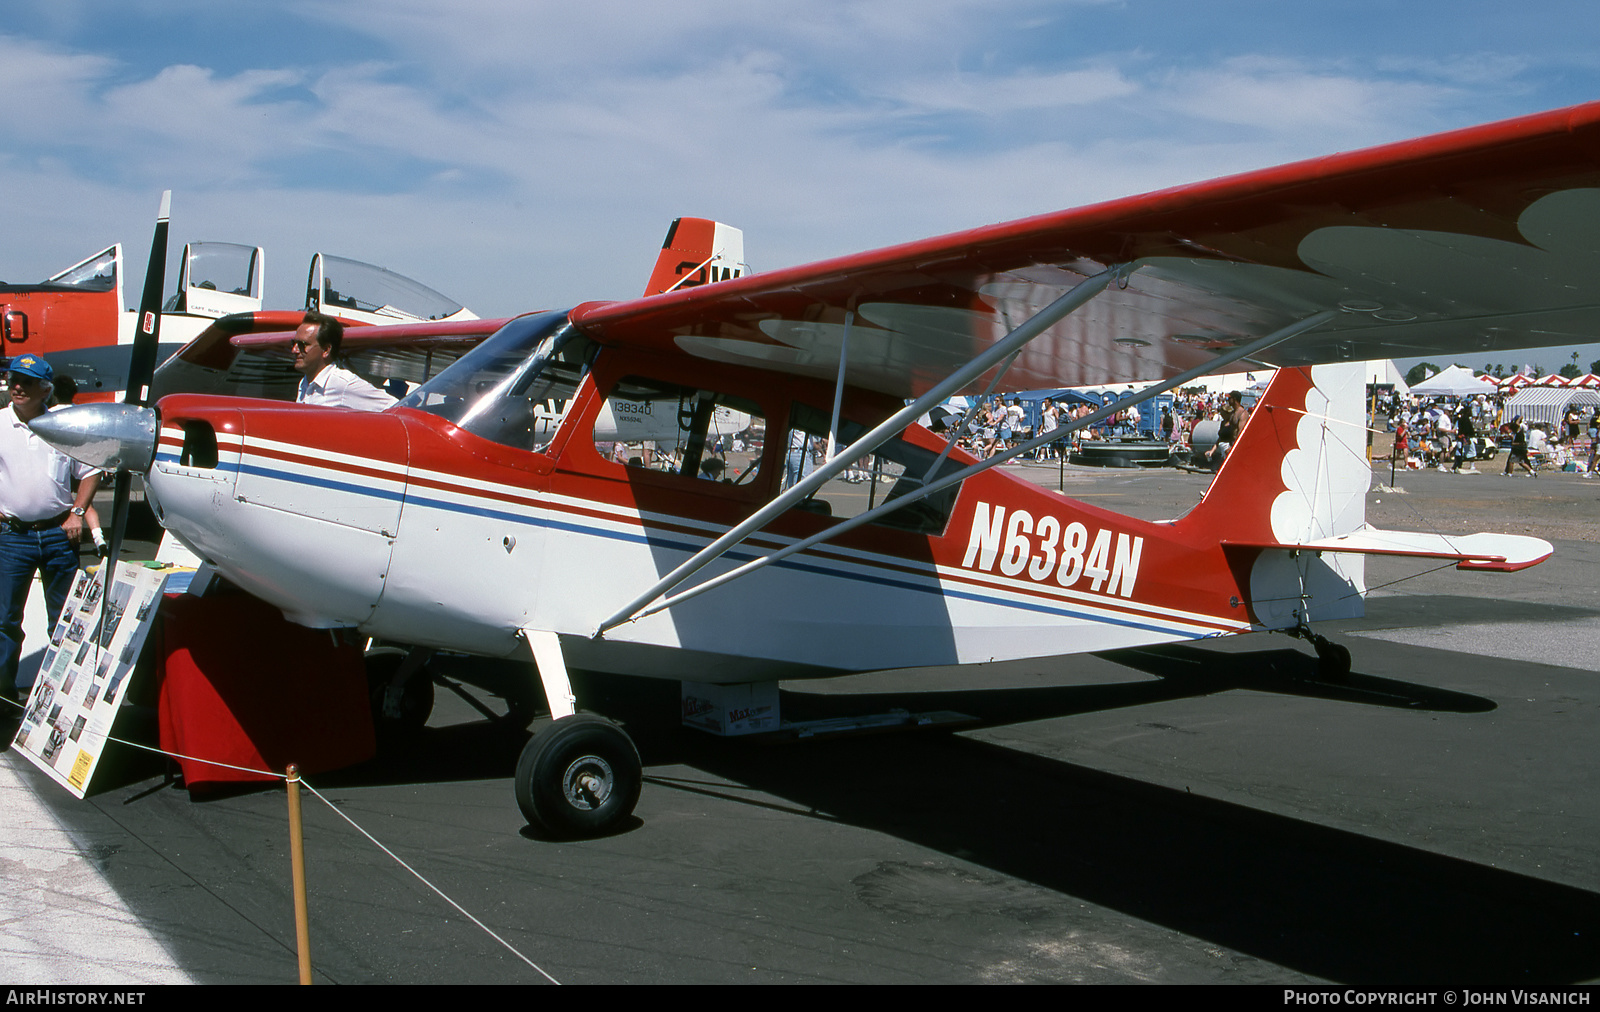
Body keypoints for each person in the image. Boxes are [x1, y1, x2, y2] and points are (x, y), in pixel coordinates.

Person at [0, 354, 100, 708]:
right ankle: (4, 703)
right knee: (4, 623)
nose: (17, 387)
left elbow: (89, 472)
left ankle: (60, 703)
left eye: (26, 382)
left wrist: (77, 513)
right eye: (14, 379)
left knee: (64, 622)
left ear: (45, 389)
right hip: (12, 538)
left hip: (60, 537)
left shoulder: (62, 426)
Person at [293, 312, 397, 411]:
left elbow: (395, 407)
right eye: (294, 343)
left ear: (326, 350)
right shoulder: (304, 383)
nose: (294, 350)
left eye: (302, 345)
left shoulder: (343, 383)